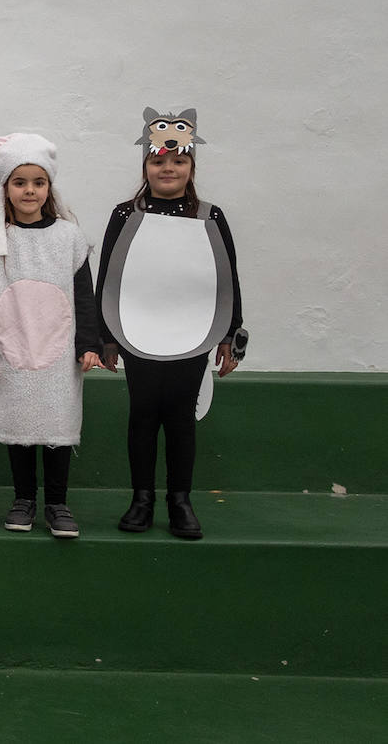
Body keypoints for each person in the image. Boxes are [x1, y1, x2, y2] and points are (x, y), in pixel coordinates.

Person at [95, 108, 245, 540]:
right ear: (145, 165)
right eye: (159, 161)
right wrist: (106, 337)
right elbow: (108, 273)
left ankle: (180, 500)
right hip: (137, 330)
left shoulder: (210, 216)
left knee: (180, 416)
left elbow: (227, 276)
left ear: (191, 166)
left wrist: (232, 334)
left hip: (194, 331)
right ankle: (141, 498)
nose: (168, 168)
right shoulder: (125, 215)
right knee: (143, 413)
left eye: (178, 161)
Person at [0, 133, 101, 538]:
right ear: (5, 187)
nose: (29, 190)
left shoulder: (69, 237)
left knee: (57, 423)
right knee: (21, 423)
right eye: (20, 182)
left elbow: (83, 297)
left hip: (58, 352)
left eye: (38, 182)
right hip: (11, 351)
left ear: (49, 187)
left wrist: (89, 345)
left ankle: (57, 503)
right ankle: (24, 498)